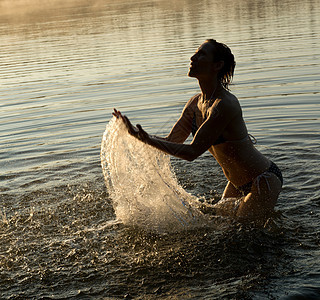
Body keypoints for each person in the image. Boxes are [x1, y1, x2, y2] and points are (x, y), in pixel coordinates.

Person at [113, 39, 283, 221]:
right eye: (195, 53)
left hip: (262, 180)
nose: (192, 57)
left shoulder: (224, 105)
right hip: (236, 183)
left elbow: (192, 152)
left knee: (240, 234)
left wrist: (148, 140)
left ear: (217, 65)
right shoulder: (195, 104)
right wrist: (137, 135)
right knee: (223, 224)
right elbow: (173, 141)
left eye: (201, 54)